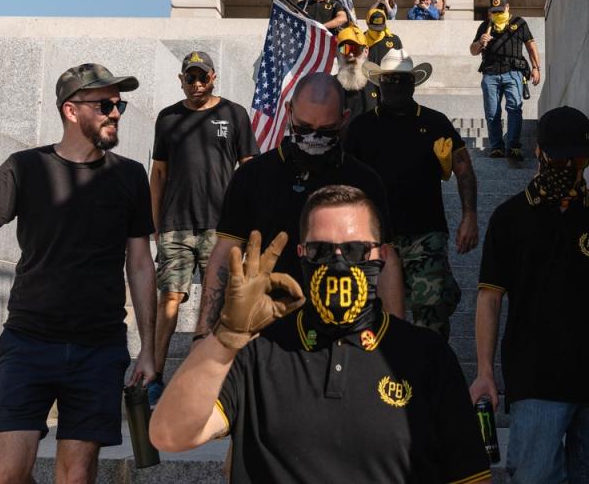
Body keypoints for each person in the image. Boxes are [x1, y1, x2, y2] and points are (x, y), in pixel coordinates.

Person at [150, 185, 493, 484]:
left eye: (356, 249)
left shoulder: (426, 355)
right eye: (321, 251)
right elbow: (169, 433)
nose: (339, 263)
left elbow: (468, 476)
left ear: (382, 255)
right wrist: (225, 336)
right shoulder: (258, 351)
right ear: (301, 255)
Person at [0, 63, 156, 484]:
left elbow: (140, 263)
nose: (115, 112)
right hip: (28, 342)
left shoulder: (130, 175)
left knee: (76, 475)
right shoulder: (24, 167)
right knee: (5, 472)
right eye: (105, 104)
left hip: (98, 347)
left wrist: (149, 347)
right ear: (71, 111)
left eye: (119, 104)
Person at [470, 106, 589, 484]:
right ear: (540, 153)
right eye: (558, 155)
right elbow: (489, 299)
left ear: (587, 158)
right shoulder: (509, 218)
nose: (565, 164)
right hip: (535, 382)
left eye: (575, 156)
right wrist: (483, 372)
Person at [194, 72, 406, 342]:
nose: (313, 138)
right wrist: (202, 334)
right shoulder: (253, 176)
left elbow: (385, 261)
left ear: (344, 118)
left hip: (346, 334)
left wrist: (398, 340)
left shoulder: (365, 181)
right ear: (289, 111)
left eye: (326, 131)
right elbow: (225, 255)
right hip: (269, 332)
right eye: (304, 128)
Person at [147, 51, 259, 406]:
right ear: (181, 80)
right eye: (190, 77)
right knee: (170, 298)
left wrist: (246, 221)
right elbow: (159, 174)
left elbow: (250, 170)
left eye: (202, 77)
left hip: (221, 228)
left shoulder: (234, 114)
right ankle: (154, 375)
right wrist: (155, 224)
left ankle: (211, 381)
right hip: (176, 226)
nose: (196, 84)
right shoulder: (168, 118)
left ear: (214, 78)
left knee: (217, 302)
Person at [346, 52, 478, 339]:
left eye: (401, 79)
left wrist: (469, 216)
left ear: (413, 83)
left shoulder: (436, 122)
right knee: (374, 316)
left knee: (430, 314)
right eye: (389, 79)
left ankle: (432, 375)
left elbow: (464, 168)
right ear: (379, 83)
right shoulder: (360, 127)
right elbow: (342, 180)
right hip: (373, 238)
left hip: (425, 234)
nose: (394, 85)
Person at [469, 0, 542, 160]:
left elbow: (531, 46)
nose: (497, 14)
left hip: (513, 73)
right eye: (494, 12)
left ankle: (513, 146)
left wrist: (536, 67)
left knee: (514, 108)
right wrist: (481, 42)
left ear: (507, 7)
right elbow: (472, 51)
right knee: (492, 112)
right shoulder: (485, 26)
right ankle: (497, 147)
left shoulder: (519, 23)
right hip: (490, 74)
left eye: (500, 11)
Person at [334, 25, 381, 121]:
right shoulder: (331, 85)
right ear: (338, 53)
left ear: (366, 51)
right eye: (345, 49)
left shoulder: (379, 83)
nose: (350, 55)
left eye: (355, 49)